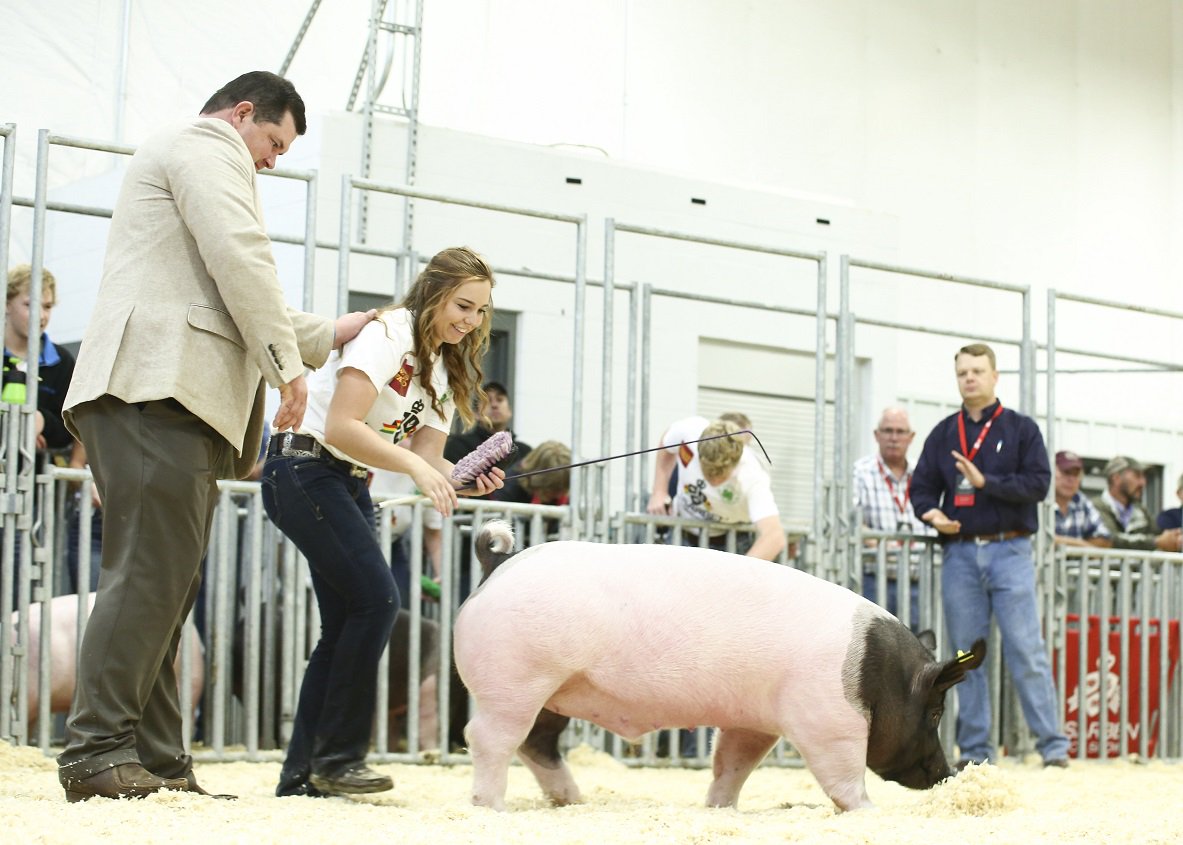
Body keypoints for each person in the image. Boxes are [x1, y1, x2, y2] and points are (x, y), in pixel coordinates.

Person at [55, 71, 375, 803]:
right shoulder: (205, 143)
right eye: (273, 141)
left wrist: (328, 334)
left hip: (164, 394)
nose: (272, 159)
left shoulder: (193, 155)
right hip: (155, 389)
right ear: (241, 113)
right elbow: (239, 255)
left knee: (165, 586)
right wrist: (287, 368)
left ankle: (159, 762)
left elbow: (227, 288)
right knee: (147, 577)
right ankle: (97, 748)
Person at [263, 246, 503, 798]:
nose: (470, 321)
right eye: (463, 306)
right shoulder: (387, 333)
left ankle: (303, 776)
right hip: (303, 467)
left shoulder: (444, 367)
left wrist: (466, 476)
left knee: (348, 620)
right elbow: (345, 426)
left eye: (481, 312)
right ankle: (340, 758)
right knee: (377, 600)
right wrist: (420, 467)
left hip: (345, 482)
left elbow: (428, 453)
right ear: (434, 293)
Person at [910, 342, 1069, 769]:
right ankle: (975, 751)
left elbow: (1038, 484)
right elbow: (920, 487)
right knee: (966, 655)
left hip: (1010, 548)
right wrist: (932, 514)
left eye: (978, 370)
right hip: (960, 553)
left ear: (995, 376)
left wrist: (986, 482)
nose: (970, 378)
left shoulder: (1020, 429)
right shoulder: (944, 433)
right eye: (963, 372)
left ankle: (1052, 747)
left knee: (1025, 649)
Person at [646, 416, 785, 561]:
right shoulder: (690, 431)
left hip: (730, 542)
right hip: (683, 532)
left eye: (720, 474)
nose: (714, 480)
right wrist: (659, 491)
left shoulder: (752, 475)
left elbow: (774, 536)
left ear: (736, 463)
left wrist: (739, 572)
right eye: (708, 471)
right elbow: (667, 441)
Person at [851, 406, 934, 627]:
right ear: (876, 435)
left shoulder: (924, 474)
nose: (894, 438)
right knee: (876, 651)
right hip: (875, 580)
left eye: (900, 431)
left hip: (918, 580)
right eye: (888, 431)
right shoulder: (861, 472)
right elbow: (853, 521)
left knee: (918, 652)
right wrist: (880, 545)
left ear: (911, 437)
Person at [3, 264, 77, 459]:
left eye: (47, 307)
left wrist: (41, 421)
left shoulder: (62, 362)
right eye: (30, 304)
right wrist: (14, 433)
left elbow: (70, 430)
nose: (41, 316)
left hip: (34, 481)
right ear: (6, 303)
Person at [444, 380, 531, 486]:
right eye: (487, 400)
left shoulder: (526, 453)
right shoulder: (457, 446)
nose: (494, 405)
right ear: (476, 413)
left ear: (509, 412)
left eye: (500, 400)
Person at [1092, 456, 1183, 551]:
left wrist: (1174, 538)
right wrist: (1155, 542)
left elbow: (1159, 535)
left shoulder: (1140, 510)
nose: (1143, 482)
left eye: (1144, 477)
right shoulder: (1096, 507)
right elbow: (1110, 539)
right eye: (1137, 476)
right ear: (1116, 478)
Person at [1052, 450, 1112, 548]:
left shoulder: (1081, 501)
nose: (1071, 479)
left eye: (1076, 474)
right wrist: (1082, 545)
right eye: (1066, 472)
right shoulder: (1039, 501)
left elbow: (1105, 540)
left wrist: (1060, 542)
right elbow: (1037, 540)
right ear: (1051, 472)